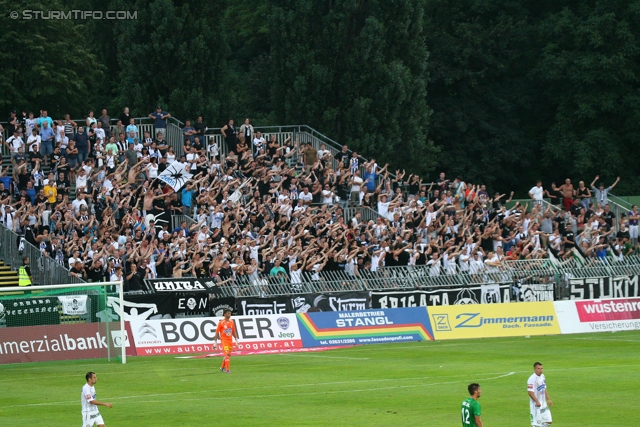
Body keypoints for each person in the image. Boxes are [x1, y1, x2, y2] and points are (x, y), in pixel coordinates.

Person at [213, 309, 240, 373]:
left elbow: (233, 331)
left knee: (228, 355)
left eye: (230, 313)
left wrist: (236, 340)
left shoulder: (231, 322)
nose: (229, 314)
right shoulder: (221, 322)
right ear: (224, 314)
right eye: (228, 313)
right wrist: (215, 343)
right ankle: (227, 370)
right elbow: (217, 333)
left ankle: (222, 367)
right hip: (224, 341)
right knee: (227, 354)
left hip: (230, 341)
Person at [528, 362, 553, 427]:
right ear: (534, 369)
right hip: (536, 406)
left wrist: (548, 399)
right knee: (536, 424)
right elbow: (530, 392)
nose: (540, 370)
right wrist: (537, 401)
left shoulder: (542, 376)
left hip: (543, 404)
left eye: (541, 368)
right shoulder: (532, 379)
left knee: (548, 421)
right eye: (538, 369)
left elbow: (544, 388)